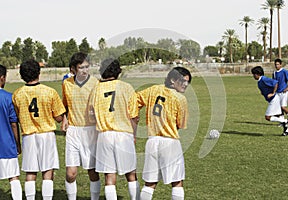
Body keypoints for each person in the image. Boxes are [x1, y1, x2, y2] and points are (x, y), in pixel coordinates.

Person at [12, 59, 66, 199]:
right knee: (48, 171)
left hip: (28, 136)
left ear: (22, 75)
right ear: (39, 73)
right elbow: (59, 117)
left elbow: (17, 116)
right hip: (46, 134)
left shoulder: (17, 94)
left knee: (31, 172)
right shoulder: (50, 92)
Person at [88, 58, 140, 200]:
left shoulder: (95, 89)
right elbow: (134, 116)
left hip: (104, 135)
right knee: (131, 174)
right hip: (124, 134)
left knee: (109, 177)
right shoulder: (126, 87)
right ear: (118, 72)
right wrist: (133, 135)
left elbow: (91, 116)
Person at [137, 67, 192, 200]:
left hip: (152, 141)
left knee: (150, 183)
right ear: (173, 80)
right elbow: (180, 124)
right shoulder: (180, 98)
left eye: (187, 82)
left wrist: (134, 117)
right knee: (177, 182)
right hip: (170, 142)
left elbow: (135, 98)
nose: (185, 84)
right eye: (183, 81)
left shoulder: (153, 90)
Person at [61, 52, 101, 200]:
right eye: (81, 67)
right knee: (71, 173)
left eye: (87, 67)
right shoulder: (67, 83)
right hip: (73, 131)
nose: (85, 70)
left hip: (91, 131)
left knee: (92, 171)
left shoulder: (95, 83)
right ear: (73, 69)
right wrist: (64, 119)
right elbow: (64, 105)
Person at [0, 64, 22, 200]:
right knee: (13, 177)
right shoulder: (9, 98)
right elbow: (14, 124)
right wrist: (17, 143)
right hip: (7, 144)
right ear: (2, 78)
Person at [251, 66, 288, 136]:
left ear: (258, 74)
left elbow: (275, 83)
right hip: (273, 100)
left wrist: (273, 93)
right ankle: (286, 130)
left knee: (267, 117)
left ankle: (284, 121)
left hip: (274, 99)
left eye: (254, 74)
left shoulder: (264, 79)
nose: (253, 76)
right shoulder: (259, 81)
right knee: (278, 115)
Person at [272, 58, 288, 123]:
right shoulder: (274, 73)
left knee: (283, 107)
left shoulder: (284, 71)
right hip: (277, 92)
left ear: (281, 65)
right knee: (279, 108)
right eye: (275, 64)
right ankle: (282, 121)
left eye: (278, 64)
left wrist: (287, 87)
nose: (276, 66)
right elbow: (274, 83)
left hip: (283, 92)